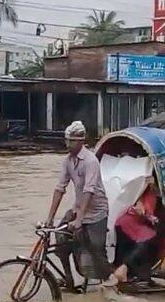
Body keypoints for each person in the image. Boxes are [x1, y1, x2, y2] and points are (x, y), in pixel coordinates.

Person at [40, 120, 112, 289]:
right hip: (78, 208)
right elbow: (60, 188)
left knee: (96, 249)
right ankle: (68, 278)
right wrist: (50, 218)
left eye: (71, 141)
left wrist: (80, 219)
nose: (68, 144)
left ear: (81, 141)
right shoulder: (68, 161)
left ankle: (110, 280)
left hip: (96, 211)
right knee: (60, 240)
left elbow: (89, 190)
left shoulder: (91, 161)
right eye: (67, 140)